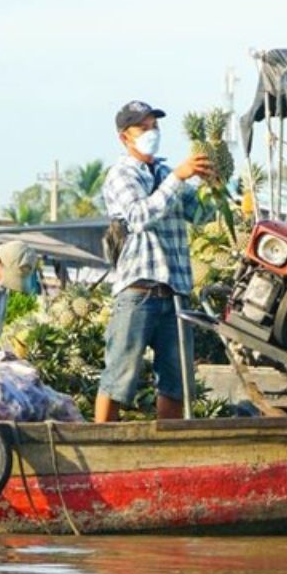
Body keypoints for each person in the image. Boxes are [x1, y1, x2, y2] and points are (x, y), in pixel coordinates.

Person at [95, 100, 213, 422]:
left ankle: (167, 451)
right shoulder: (120, 175)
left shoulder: (165, 172)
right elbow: (138, 216)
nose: (152, 133)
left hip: (175, 292)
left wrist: (212, 189)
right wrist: (178, 178)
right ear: (125, 138)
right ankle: (103, 449)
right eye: (143, 128)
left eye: (155, 127)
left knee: (176, 383)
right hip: (139, 292)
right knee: (119, 376)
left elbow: (201, 215)